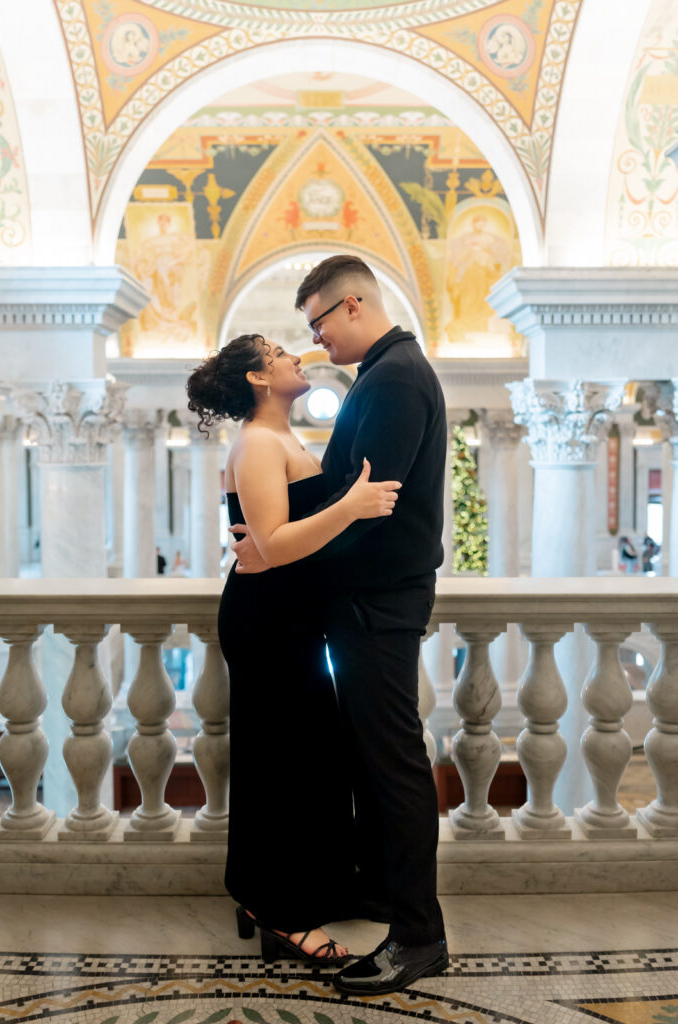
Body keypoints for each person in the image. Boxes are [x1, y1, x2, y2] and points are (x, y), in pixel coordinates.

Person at [231, 255, 449, 995]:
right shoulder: (381, 374)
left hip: (378, 602)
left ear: (351, 305)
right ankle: (378, 891)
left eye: (318, 323)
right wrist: (270, 542)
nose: (315, 340)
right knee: (366, 758)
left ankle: (418, 936)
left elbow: (368, 507)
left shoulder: (393, 379)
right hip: (365, 600)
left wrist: (274, 553)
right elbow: (342, 496)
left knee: (393, 764)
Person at [186, 333, 401, 966]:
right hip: (267, 620)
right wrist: (353, 506)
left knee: (307, 755)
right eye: (280, 353)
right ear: (258, 378)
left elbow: (277, 540)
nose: (295, 356)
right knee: (281, 762)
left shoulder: (281, 438)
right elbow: (276, 544)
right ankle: (279, 911)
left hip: (292, 617)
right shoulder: (257, 441)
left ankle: (287, 894)